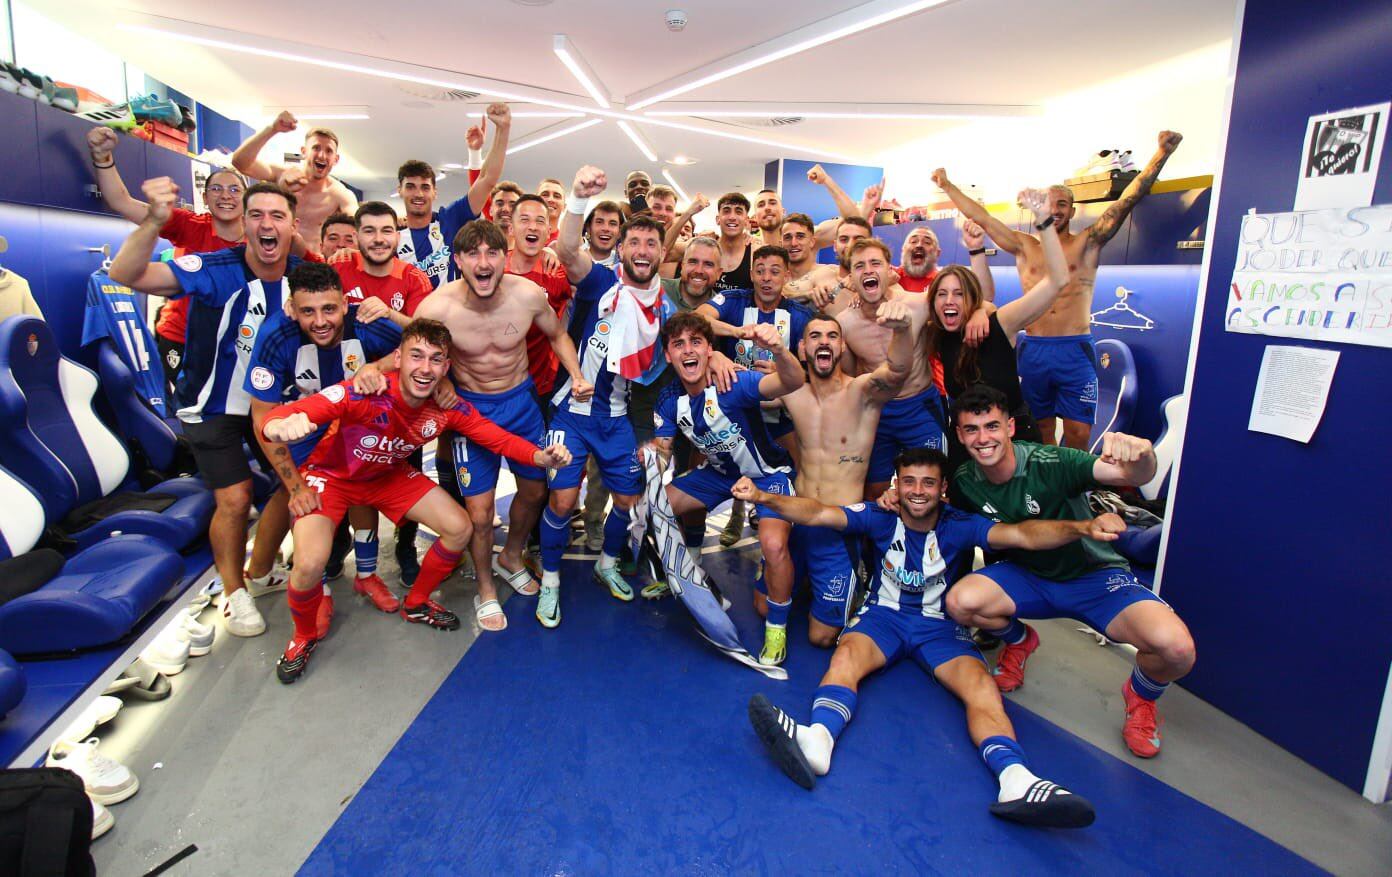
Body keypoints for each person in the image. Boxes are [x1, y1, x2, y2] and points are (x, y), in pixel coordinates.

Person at [740, 447, 1118, 828]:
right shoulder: (878, 515)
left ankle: (1015, 779)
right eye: (909, 482)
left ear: (943, 489)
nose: (917, 491)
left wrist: (1082, 528)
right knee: (845, 658)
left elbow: (1021, 534)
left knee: (980, 688)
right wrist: (763, 498)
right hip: (883, 619)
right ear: (896, 485)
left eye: (928, 483)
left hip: (940, 627)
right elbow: (819, 512)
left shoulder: (961, 524)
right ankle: (817, 741)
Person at [259, 319, 571, 682]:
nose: (425, 369)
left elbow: (497, 438)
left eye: (436, 359)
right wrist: (279, 425)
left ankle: (418, 602)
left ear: (446, 367)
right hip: (333, 478)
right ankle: (303, 637)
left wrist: (540, 457)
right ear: (398, 358)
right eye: (416, 356)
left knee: (459, 527)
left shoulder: (447, 405)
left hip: (387, 476)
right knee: (310, 563)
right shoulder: (365, 391)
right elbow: (283, 416)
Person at [929, 385, 1197, 758]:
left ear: (1009, 427)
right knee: (961, 602)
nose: (982, 438)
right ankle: (1020, 641)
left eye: (991, 426)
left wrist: (1143, 456)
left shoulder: (1051, 462)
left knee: (1177, 650)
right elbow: (940, 513)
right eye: (971, 430)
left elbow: (1128, 473)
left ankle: (1141, 697)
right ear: (959, 435)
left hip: (1095, 578)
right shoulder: (964, 480)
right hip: (1030, 577)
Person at [108, 178, 309, 638]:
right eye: (256, 214)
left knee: (293, 486)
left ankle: (259, 572)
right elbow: (126, 274)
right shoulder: (214, 266)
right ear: (242, 223)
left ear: (292, 226)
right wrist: (154, 223)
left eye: (277, 216)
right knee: (235, 499)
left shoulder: (303, 273)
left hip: (268, 407)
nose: (266, 224)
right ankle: (233, 592)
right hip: (209, 405)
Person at [548, 166, 726, 629]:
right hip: (573, 412)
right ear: (621, 249)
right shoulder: (602, 284)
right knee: (564, 503)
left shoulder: (666, 307)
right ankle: (549, 580)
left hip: (619, 418)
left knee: (627, 502)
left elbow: (692, 344)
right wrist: (577, 198)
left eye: (652, 244)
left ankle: (608, 563)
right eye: (635, 243)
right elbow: (568, 249)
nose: (643, 251)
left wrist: (731, 348)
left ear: (661, 252)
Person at [933, 131, 1183, 448]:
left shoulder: (1088, 243)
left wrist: (1162, 153)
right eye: (1049, 205)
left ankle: (1072, 489)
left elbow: (1126, 202)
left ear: (1072, 211)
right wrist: (946, 185)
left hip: (1075, 349)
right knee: (1041, 431)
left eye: (1062, 204)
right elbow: (980, 217)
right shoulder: (1024, 246)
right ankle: (1046, 489)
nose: (1056, 210)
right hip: (1034, 349)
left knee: (1079, 433)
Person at [413, 219, 589, 632]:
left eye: (492, 252)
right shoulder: (437, 308)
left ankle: (511, 555)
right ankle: (486, 589)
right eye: (472, 253)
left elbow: (558, 335)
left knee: (535, 490)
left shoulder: (526, 295)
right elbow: (415, 357)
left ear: (503, 257)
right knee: (479, 512)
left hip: (521, 404)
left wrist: (577, 374)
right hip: (471, 412)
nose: (483, 261)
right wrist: (440, 385)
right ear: (458, 261)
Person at [244, 262, 403, 631]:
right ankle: (317, 591)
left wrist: (375, 366)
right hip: (302, 425)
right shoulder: (275, 336)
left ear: (345, 304)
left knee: (362, 485)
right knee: (303, 501)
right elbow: (263, 419)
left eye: (329, 309)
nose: (320, 321)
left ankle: (366, 574)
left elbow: (419, 345)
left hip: (354, 421)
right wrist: (295, 484)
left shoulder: (368, 324)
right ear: (291, 309)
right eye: (307, 311)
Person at [652, 312, 805, 665]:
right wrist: (649, 462)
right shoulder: (668, 400)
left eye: (696, 342)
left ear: (709, 350)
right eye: (678, 345)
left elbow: (792, 381)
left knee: (773, 545)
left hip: (768, 476)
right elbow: (661, 451)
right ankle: (694, 573)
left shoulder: (732, 382)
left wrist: (780, 350)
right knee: (657, 507)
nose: (687, 351)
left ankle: (776, 630)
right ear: (668, 354)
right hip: (718, 474)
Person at [775, 305, 913, 645]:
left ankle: (855, 577)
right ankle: (811, 580)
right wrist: (719, 360)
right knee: (763, 607)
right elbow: (739, 388)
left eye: (833, 336)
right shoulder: (790, 391)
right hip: (799, 520)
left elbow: (897, 370)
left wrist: (904, 329)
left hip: (840, 525)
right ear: (802, 349)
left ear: (842, 348)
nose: (824, 342)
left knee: (822, 637)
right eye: (815, 336)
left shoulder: (863, 392)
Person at [86, 126, 244, 393]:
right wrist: (103, 158)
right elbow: (120, 201)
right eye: (216, 188)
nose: (226, 195)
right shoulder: (189, 224)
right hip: (181, 338)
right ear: (205, 198)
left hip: (235, 342)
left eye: (234, 189)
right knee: (191, 411)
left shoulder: (259, 237)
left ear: (246, 199)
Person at [932, 191, 1069, 469]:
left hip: (1016, 445)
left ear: (972, 299)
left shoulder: (1000, 324)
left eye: (958, 294)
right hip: (966, 447)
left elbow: (1057, 280)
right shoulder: (936, 333)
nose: (949, 301)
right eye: (941, 294)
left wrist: (1043, 221)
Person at [834, 238, 945, 499]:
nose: (868, 270)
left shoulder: (918, 304)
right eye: (860, 266)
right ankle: (884, 539)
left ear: (889, 271)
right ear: (851, 276)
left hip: (919, 408)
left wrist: (976, 314)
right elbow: (847, 378)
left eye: (876, 263)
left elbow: (975, 304)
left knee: (934, 484)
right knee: (874, 490)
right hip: (877, 412)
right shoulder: (844, 323)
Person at [396, 105, 511, 289]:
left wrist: (503, 129)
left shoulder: (449, 220)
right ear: (400, 190)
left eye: (425, 187)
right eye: (410, 187)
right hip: (409, 317)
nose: (418, 194)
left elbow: (487, 180)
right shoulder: (390, 235)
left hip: (450, 315)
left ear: (435, 192)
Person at [231, 111, 358, 251]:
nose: (322, 155)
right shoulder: (282, 175)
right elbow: (240, 163)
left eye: (329, 151)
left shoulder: (340, 195)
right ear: (304, 152)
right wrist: (272, 129)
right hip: (274, 258)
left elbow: (358, 230)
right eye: (316, 148)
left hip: (313, 266)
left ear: (336, 159)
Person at [506, 194, 574, 398]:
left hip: (542, 386)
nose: (533, 227)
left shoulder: (557, 273)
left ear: (549, 232)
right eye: (524, 220)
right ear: (511, 228)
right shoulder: (492, 270)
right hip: (496, 386)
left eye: (540, 221)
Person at [333, 202, 433, 328]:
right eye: (369, 231)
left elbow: (426, 332)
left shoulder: (415, 279)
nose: (379, 239)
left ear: (397, 237)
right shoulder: (336, 268)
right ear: (355, 238)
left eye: (386, 231)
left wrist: (389, 314)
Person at [897, 226, 939, 292]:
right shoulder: (889, 277)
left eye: (927, 242)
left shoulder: (942, 282)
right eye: (913, 241)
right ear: (903, 250)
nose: (919, 245)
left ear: (937, 253)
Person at [536, 177, 566, 244]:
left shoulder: (567, 245)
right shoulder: (518, 240)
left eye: (557, 196)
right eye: (545, 195)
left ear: (564, 206)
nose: (551, 199)